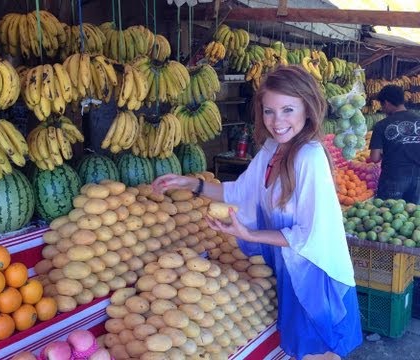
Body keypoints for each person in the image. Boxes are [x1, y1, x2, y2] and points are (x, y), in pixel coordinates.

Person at [152, 65, 362, 360]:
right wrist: (190, 184)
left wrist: (250, 234)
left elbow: (309, 233)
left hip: (314, 275)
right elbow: (239, 192)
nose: (278, 122)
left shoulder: (310, 157)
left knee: (319, 351)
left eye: (288, 110)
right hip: (290, 267)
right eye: (269, 111)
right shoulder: (271, 149)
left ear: (308, 109)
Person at [369, 84, 420, 204]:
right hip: (418, 177)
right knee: (412, 217)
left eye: (382, 106)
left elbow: (375, 158)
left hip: (393, 177)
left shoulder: (382, 125)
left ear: (386, 103)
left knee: (388, 215)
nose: (383, 109)